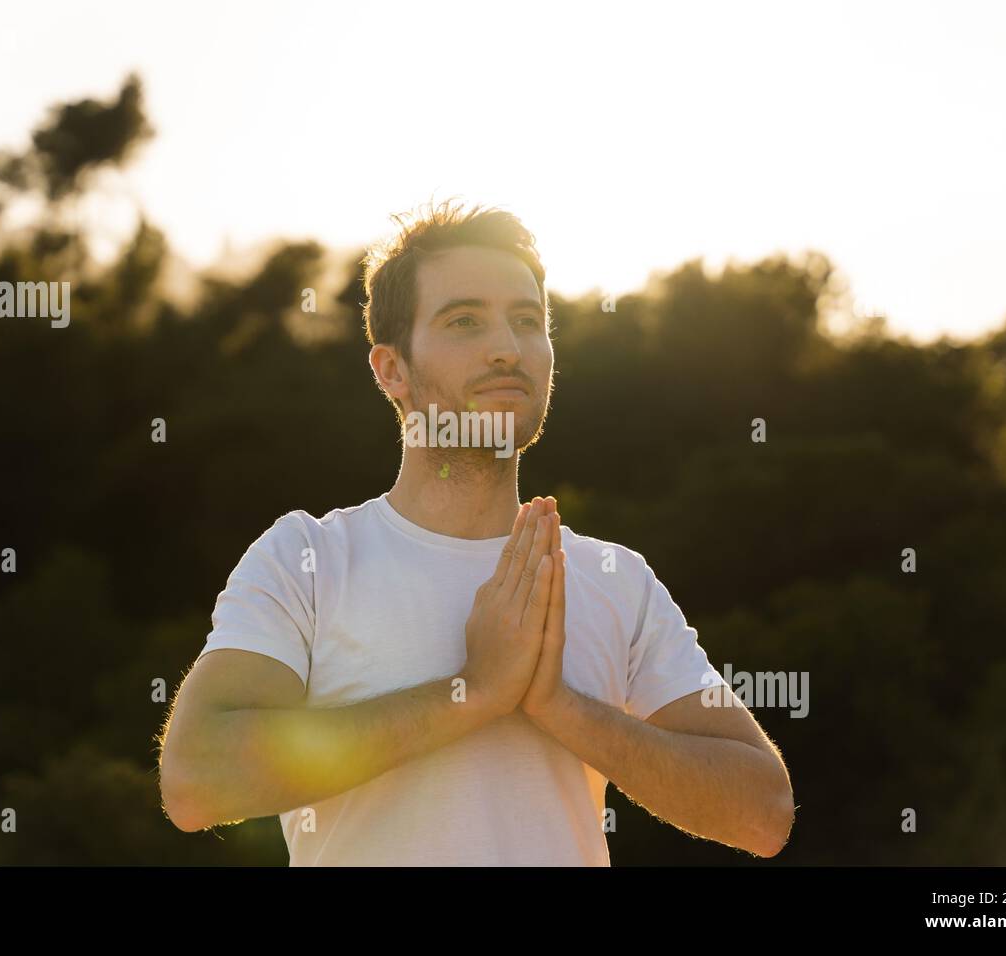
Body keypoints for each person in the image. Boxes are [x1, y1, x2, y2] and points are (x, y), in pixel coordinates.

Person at [157, 200, 794, 865]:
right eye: (464, 320)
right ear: (391, 370)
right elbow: (196, 781)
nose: (506, 347)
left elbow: (763, 815)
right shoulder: (308, 558)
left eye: (527, 321)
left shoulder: (616, 579)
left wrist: (561, 707)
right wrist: (474, 694)